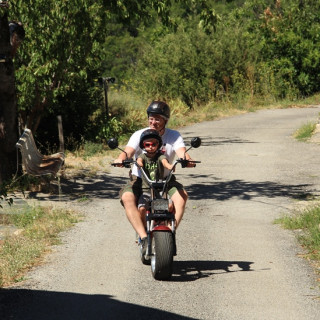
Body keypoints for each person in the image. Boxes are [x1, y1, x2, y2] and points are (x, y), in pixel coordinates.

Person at [114, 101, 195, 251]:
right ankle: (143, 237)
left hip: (165, 179)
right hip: (140, 178)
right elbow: (128, 152)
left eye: (157, 119)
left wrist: (187, 160)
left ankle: (170, 232)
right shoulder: (139, 134)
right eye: (151, 118)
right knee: (127, 197)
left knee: (182, 196)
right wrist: (121, 159)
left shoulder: (173, 135)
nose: (153, 122)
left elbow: (182, 152)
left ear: (165, 120)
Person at [136, 129, 174, 225]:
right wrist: (139, 163)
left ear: (158, 145)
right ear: (143, 146)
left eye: (154, 144)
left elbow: (164, 162)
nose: (151, 147)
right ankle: (144, 229)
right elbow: (139, 160)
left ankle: (167, 224)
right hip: (146, 190)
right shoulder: (143, 156)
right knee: (142, 208)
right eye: (147, 145)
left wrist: (170, 166)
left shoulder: (159, 156)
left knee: (169, 206)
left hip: (159, 190)